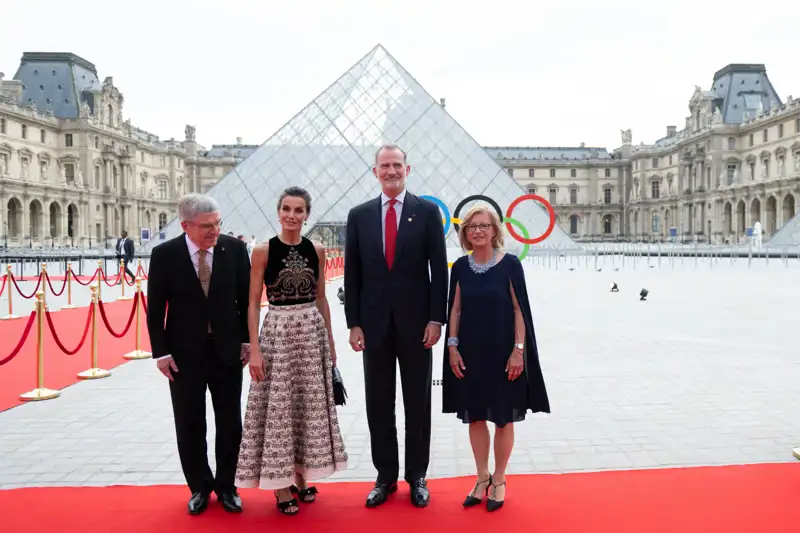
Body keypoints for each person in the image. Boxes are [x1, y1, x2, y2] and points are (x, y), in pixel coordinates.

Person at [344, 144, 448, 508]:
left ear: (408, 168)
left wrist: (437, 319)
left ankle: (416, 475)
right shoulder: (358, 216)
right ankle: (385, 476)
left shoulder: (427, 212)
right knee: (378, 403)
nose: (391, 171)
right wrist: (353, 323)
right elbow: (352, 273)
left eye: (397, 165)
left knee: (417, 403)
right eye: (384, 165)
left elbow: (439, 271)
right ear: (375, 172)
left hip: (418, 326)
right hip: (373, 326)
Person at [235, 186, 347, 516]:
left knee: (306, 406)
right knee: (279, 408)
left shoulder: (317, 249)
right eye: (286, 208)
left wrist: (330, 342)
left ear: (307, 215)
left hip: (311, 334)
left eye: (299, 210)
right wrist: (254, 349)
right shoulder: (262, 250)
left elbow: (322, 298)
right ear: (278, 211)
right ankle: (281, 485)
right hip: (277, 335)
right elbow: (253, 304)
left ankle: (301, 475)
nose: (292, 215)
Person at [146, 193, 252, 516]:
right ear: (185, 225)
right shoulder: (164, 255)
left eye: (218, 223)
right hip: (183, 355)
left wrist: (248, 341)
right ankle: (199, 487)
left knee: (230, 423)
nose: (215, 230)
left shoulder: (234, 250)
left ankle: (227, 486)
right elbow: (155, 308)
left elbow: (246, 300)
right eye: (207, 226)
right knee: (190, 423)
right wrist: (160, 353)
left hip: (227, 351)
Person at [442, 205, 550, 512]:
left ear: (494, 230)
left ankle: (499, 479)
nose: (477, 231)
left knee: (503, 417)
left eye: (483, 226)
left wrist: (518, 351)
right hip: (470, 353)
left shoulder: (511, 264)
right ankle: (481, 477)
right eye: (471, 227)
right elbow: (455, 309)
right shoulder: (460, 267)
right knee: (475, 416)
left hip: (504, 354)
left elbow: (520, 309)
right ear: (465, 233)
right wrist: (452, 347)